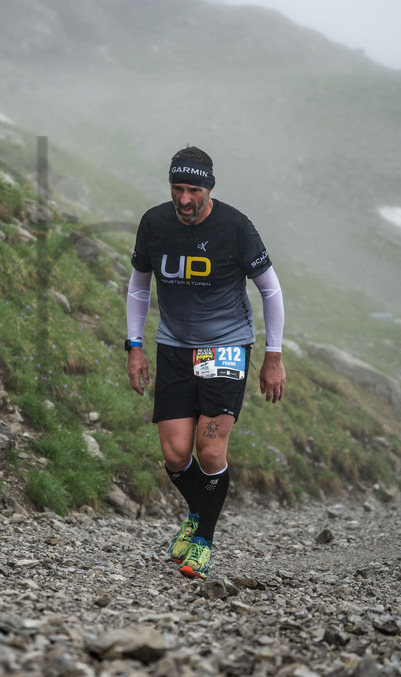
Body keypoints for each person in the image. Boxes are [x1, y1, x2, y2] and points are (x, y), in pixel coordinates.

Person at [125, 146, 286, 579]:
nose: (184, 199)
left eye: (193, 190)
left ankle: (203, 541)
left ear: (208, 189)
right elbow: (140, 286)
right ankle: (198, 509)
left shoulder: (235, 227)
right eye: (177, 188)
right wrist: (134, 346)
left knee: (209, 448)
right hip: (175, 346)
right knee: (176, 454)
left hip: (226, 347)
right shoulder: (154, 223)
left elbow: (270, 289)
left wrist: (273, 355)